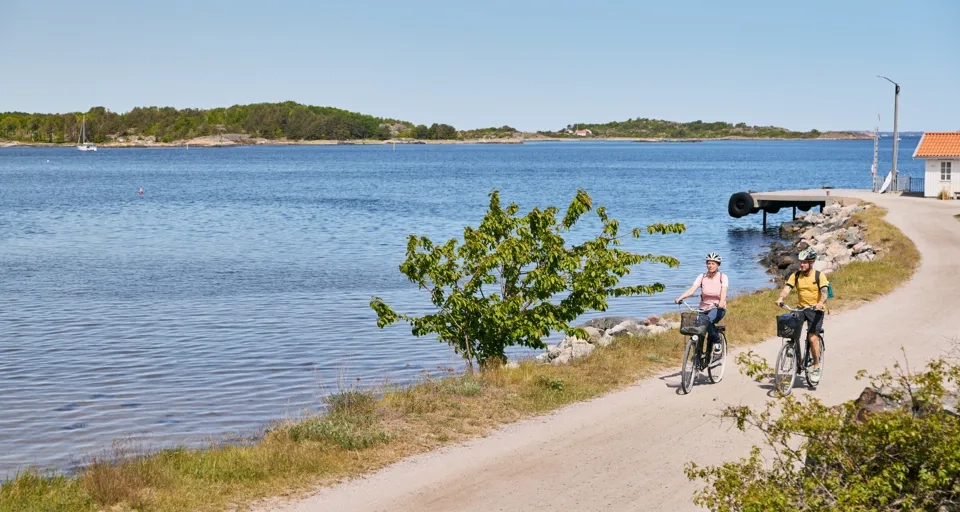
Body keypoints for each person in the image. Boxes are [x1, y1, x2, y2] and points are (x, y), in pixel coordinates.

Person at [775, 248, 829, 383]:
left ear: (811, 262)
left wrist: (820, 303)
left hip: (815, 310)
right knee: (790, 327)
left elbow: (824, 292)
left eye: (805, 262)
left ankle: (816, 366)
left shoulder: (819, 276)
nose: (802, 265)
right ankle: (792, 347)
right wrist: (780, 298)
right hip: (801, 308)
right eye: (801, 262)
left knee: (812, 338)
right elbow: (787, 288)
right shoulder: (796, 275)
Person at [675, 252, 728, 357]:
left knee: (707, 321)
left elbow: (724, 291)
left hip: (718, 308)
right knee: (698, 329)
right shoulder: (702, 277)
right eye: (708, 263)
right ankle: (698, 355)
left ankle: (717, 342)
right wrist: (680, 298)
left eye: (713, 263)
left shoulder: (722, 277)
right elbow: (692, 290)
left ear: (718, 265)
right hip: (703, 308)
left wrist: (721, 302)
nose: (710, 265)